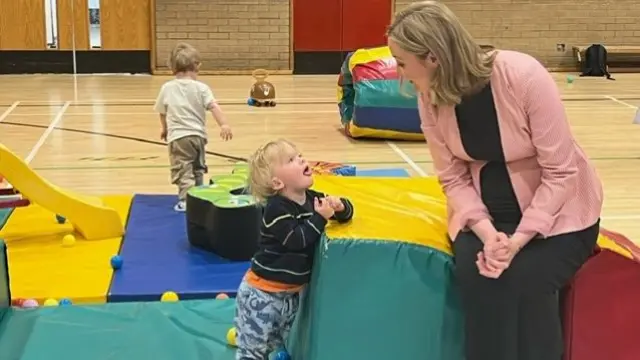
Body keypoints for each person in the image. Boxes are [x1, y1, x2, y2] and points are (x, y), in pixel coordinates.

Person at [386, 2, 603, 360]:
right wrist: (488, 234)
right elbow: (452, 177)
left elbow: (561, 172)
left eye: (402, 61)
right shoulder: (430, 97)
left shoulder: (523, 75)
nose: (399, 72)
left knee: (527, 285)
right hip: (486, 212)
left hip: (561, 213)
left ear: (433, 58)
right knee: (480, 280)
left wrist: (517, 241)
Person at [234, 139, 354, 359]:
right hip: (262, 294)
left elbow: (344, 213)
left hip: (290, 295)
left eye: (299, 155)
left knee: (274, 342)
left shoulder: (311, 199)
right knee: (252, 350)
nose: (300, 158)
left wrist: (341, 206)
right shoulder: (275, 209)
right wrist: (320, 217)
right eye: (291, 159)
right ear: (278, 183)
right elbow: (296, 239)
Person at [153, 42, 233, 212]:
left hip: (179, 137)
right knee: (197, 167)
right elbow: (214, 107)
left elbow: (162, 111)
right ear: (196, 66)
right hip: (198, 136)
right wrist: (224, 124)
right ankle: (198, 196)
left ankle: (186, 200)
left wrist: (165, 128)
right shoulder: (202, 88)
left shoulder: (167, 88)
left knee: (183, 169)